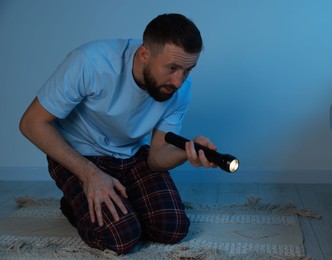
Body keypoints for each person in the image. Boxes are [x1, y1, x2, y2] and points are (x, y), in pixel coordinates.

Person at [19, 13, 218, 255]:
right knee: (121, 238)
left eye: (187, 70)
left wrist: (187, 153)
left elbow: (156, 158)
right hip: (80, 154)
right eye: (172, 68)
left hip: (132, 154)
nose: (178, 81)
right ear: (145, 54)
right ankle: (74, 204)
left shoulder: (180, 89)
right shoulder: (91, 61)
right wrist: (89, 174)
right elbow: (31, 123)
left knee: (172, 229)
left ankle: (121, 205)